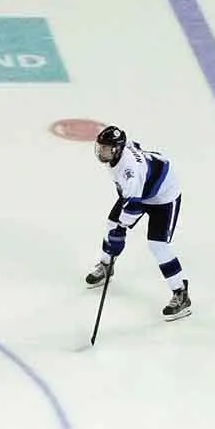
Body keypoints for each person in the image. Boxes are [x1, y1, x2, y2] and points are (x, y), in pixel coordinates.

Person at [84, 125, 189, 321]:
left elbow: (133, 207)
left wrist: (121, 230)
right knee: (111, 224)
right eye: (101, 147)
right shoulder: (120, 157)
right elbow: (136, 146)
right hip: (139, 193)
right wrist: (117, 229)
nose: (102, 152)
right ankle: (106, 265)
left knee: (158, 246)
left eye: (106, 149)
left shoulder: (129, 171)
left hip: (163, 197)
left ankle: (180, 293)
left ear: (117, 149)